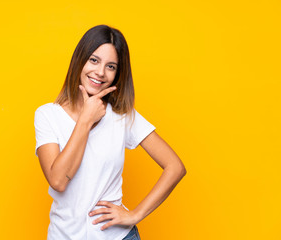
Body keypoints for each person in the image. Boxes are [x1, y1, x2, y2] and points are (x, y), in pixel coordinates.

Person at [34, 24, 186, 240]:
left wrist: (134, 215)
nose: (100, 72)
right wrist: (86, 119)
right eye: (94, 60)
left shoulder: (123, 116)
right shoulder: (47, 115)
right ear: (80, 59)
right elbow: (58, 181)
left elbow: (175, 167)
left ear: (117, 74)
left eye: (111, 66)